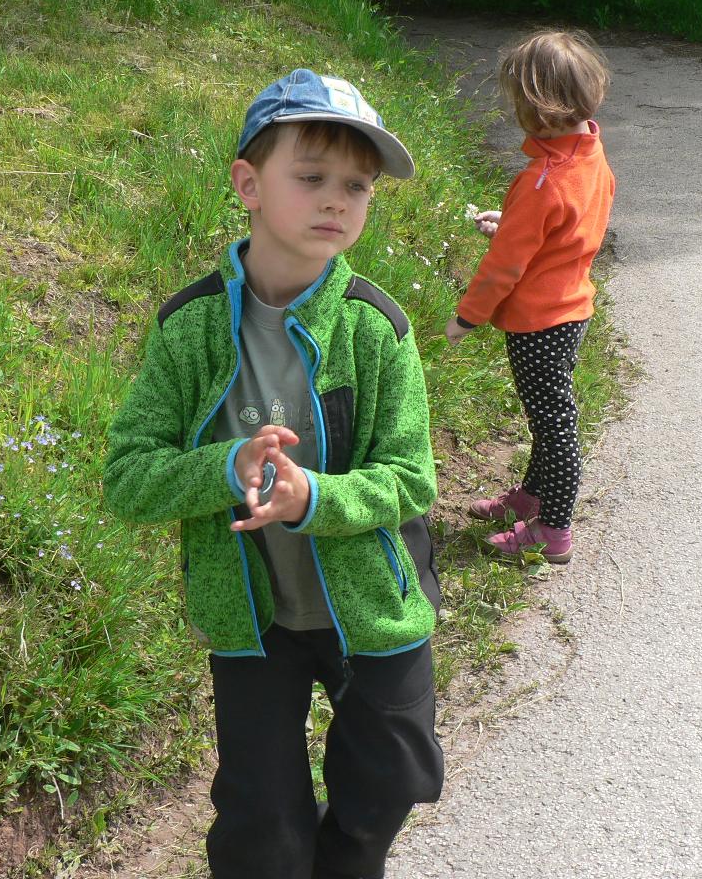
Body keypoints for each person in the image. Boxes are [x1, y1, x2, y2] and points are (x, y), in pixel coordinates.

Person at [104, 69, 443, 879]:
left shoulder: (376, 327)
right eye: (312, 177)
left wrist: (313, 497)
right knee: (261, 826)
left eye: (357, 186)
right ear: (248, 185)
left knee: (391, 782)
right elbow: (128, 477)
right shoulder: (188, 329)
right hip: (254, 622)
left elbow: (411, 478)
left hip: (375, 610)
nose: (337, 201)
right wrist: (227, 467)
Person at [444, 29, 615, 565]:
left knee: (554, 425)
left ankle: (553, 529)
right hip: (572, 310)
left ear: (536, 110)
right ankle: (532, 497)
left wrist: (467, 318)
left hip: (539, 324)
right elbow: (566, 229)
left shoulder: (542, 180)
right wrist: (515, 222)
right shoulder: (589, 156)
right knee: (546, 413)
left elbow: (505, 267)